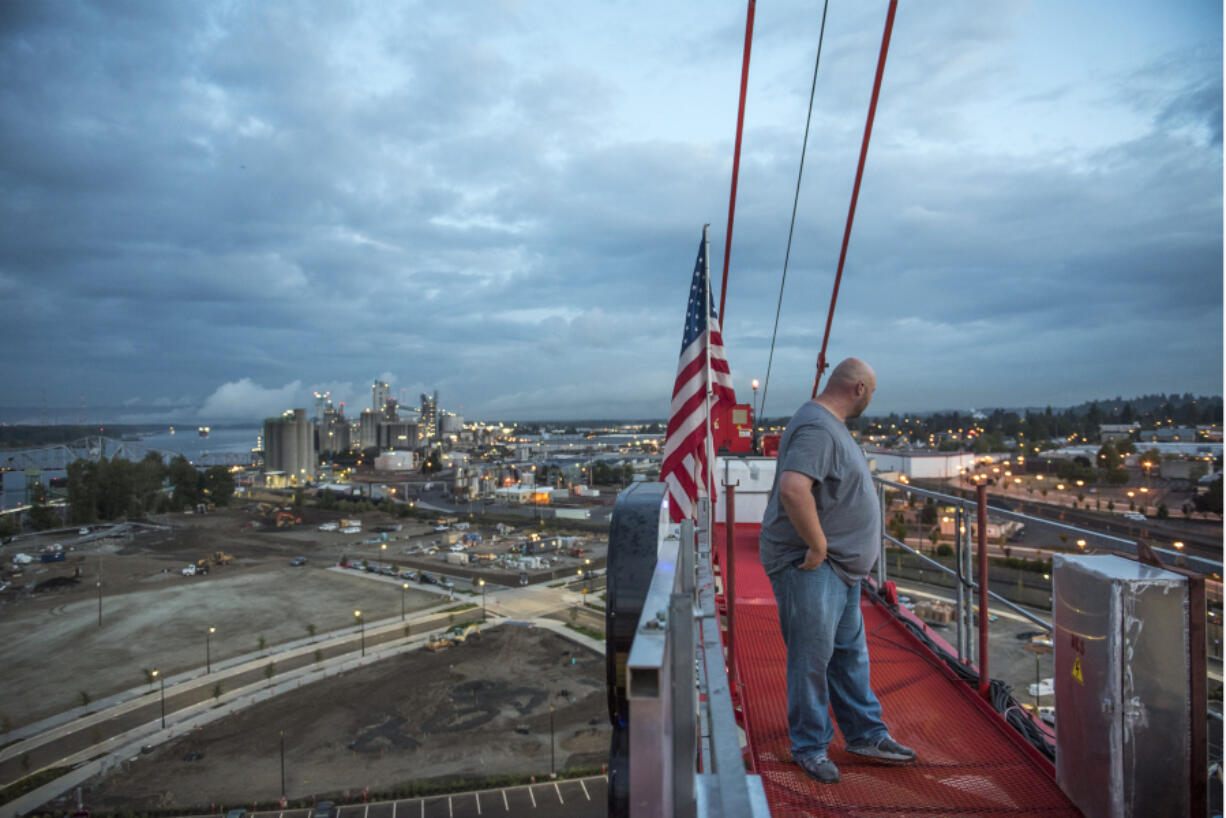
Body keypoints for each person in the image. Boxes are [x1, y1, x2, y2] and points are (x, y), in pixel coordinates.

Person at [758, 357, 915, 784]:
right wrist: (817, 544)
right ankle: (809, 746)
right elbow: (793, 488)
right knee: (812, 660)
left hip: (839, 570)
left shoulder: (825, 424)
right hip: (812, 565)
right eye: (873, 392)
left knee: (848, 654)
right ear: (859, 389)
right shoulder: (818, 427)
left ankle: (865, 734)